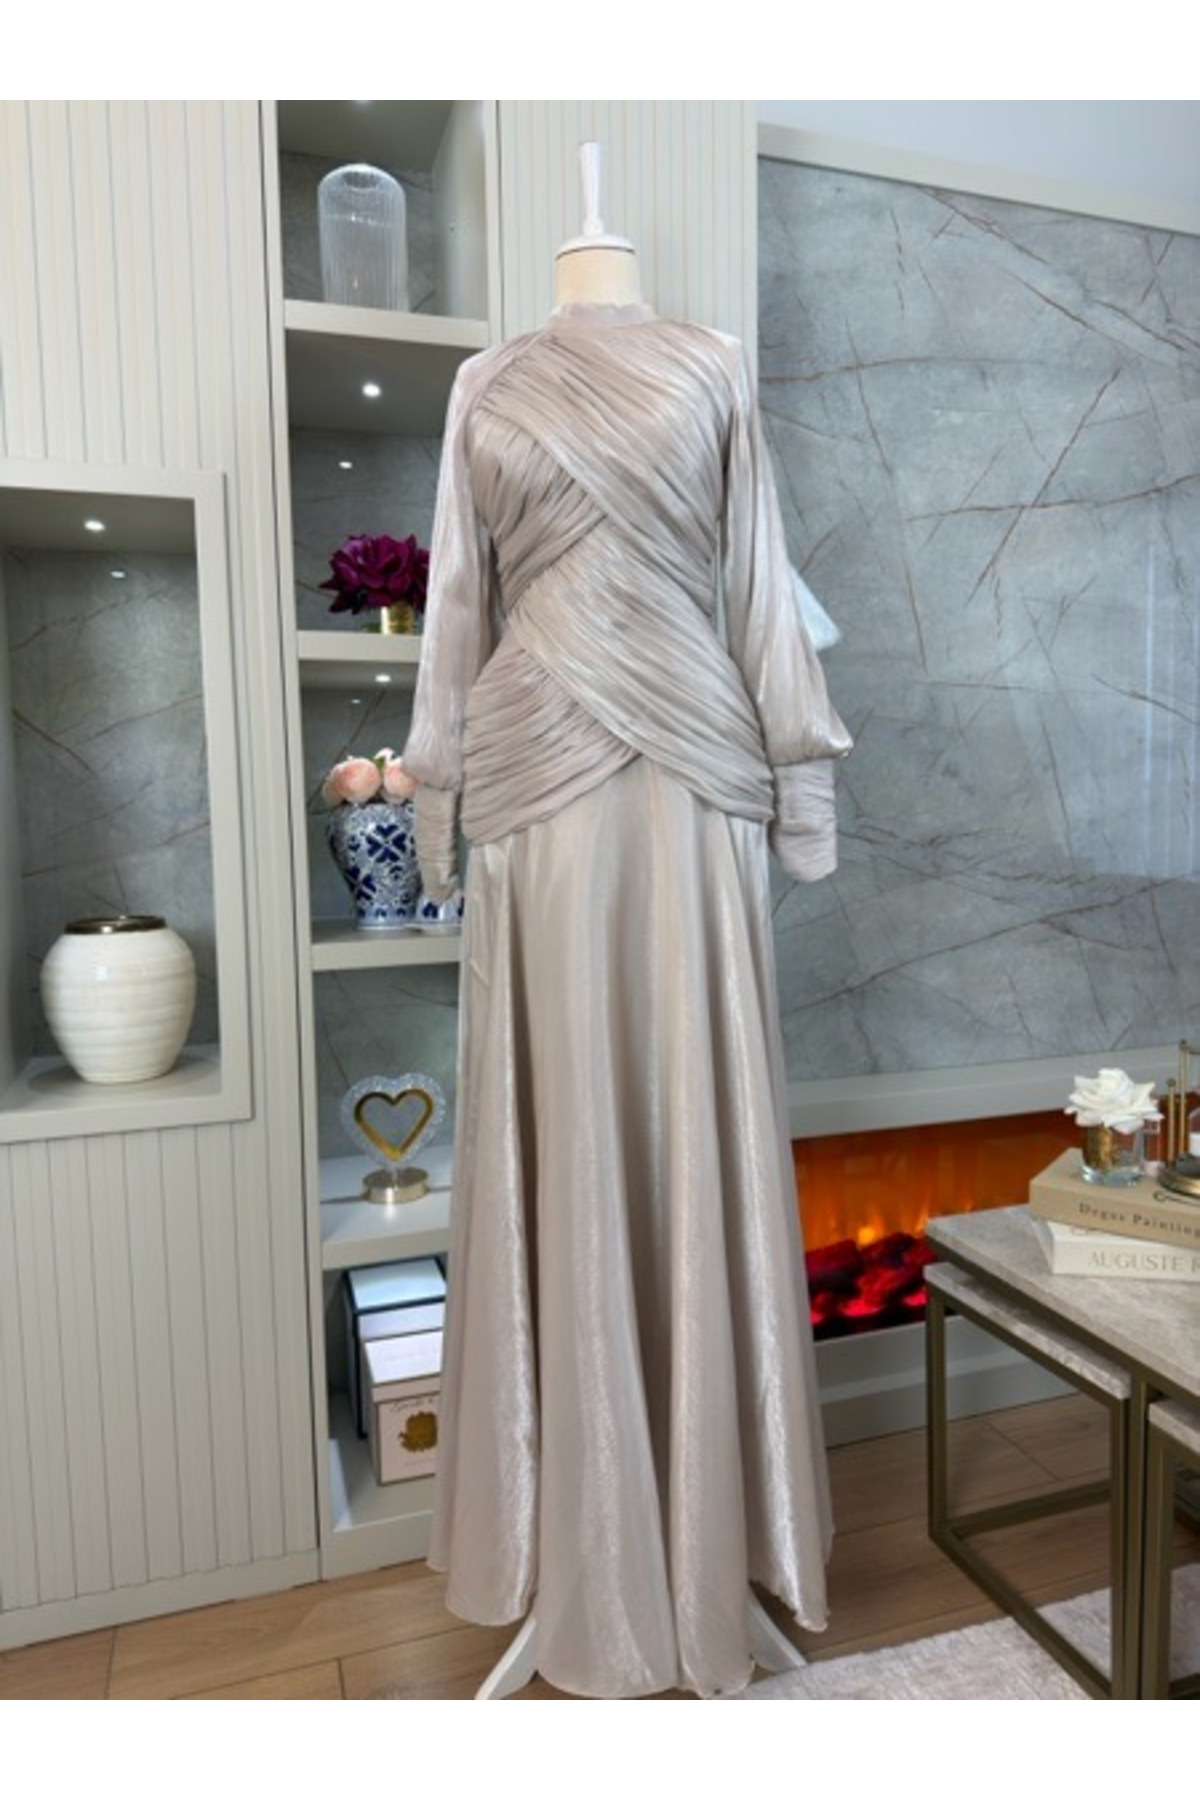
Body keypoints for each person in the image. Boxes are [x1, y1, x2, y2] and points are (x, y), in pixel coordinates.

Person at [402, 173, 852, 1699]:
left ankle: (704, 1535)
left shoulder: (716, 361)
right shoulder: (485, 382)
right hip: (535, 769)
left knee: (688, 1113)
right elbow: (457, 600)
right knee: (566, 1124)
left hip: (693, 773)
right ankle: (586, 1549)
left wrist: (799, 773)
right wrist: (440, 786)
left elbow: (756, 578)